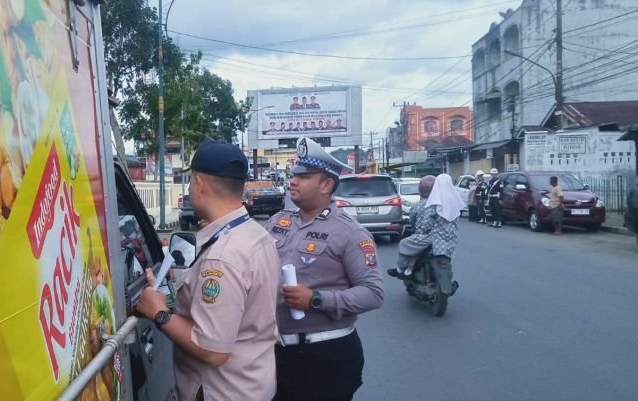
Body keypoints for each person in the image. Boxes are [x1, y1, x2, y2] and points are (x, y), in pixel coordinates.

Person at [136, 140, 281, 401]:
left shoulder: (223, 256)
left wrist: (158, 313)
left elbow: (213, 350)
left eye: (190, 182)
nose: (190, 188)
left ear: (200, 184)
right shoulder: (252, 233)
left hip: (222, 392)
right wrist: (170, 288)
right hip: (252, 384)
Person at [265, 137, 384, 401]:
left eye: (304, 176)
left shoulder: (349, 232)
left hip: (325, 357)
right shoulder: (277, 222)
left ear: (326, 185)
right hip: (275, 354)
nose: (293, 181)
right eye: (293, 174)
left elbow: (373, 293)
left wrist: (317, 299)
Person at [389, 174, 462, 277]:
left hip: (434, 239)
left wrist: (420, 232)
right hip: (450, 240)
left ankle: (400, 269)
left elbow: (425, 225)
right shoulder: (455, 205)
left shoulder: (434, 203)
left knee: (404, 243)